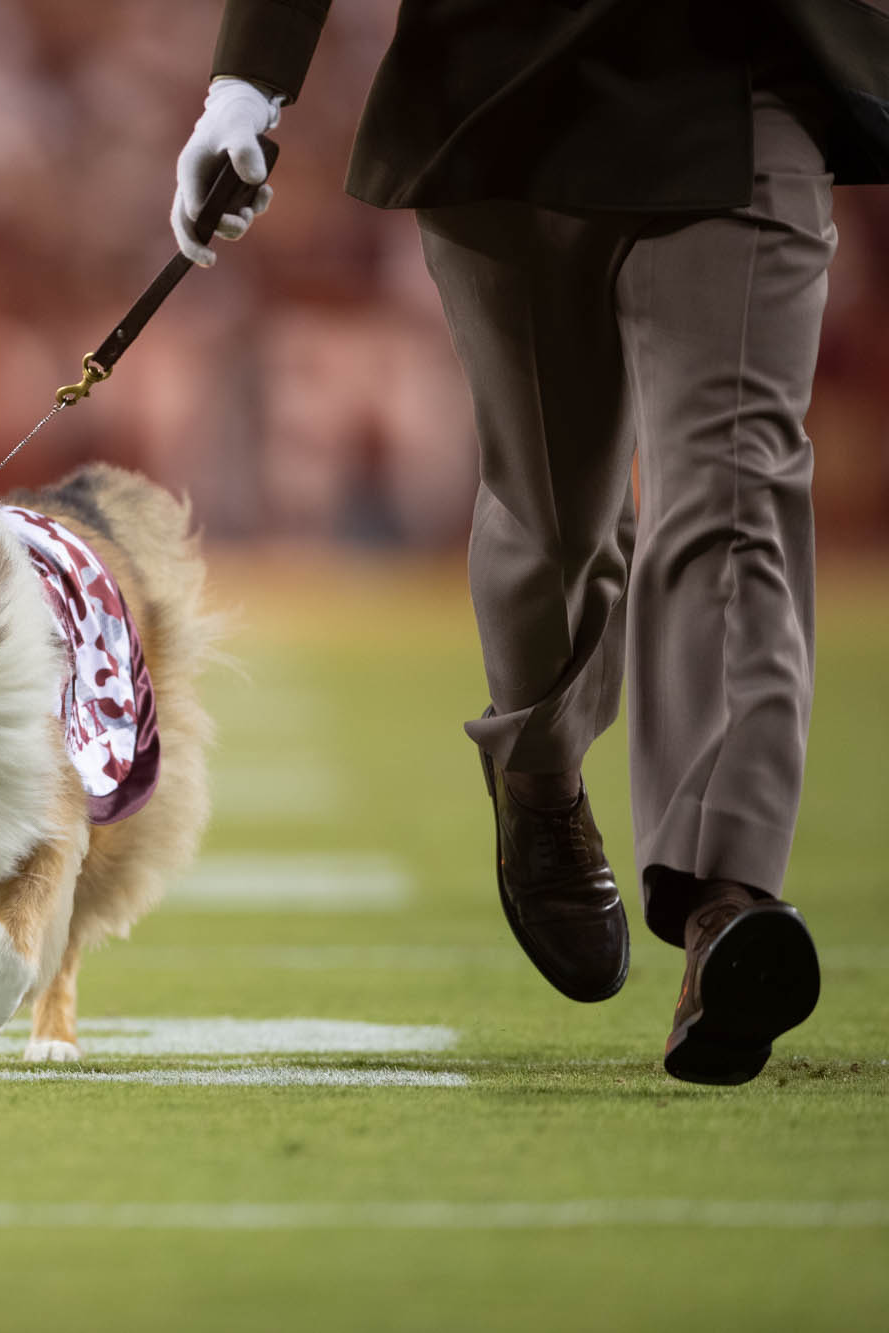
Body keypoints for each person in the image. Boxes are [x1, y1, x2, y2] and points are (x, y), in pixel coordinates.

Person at [173, 0, 888, 1085]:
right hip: (497, 81)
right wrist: (245, 84)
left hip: (743, 72)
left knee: (733, 480)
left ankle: (723, 900)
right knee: (554, 519)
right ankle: (538, 770)